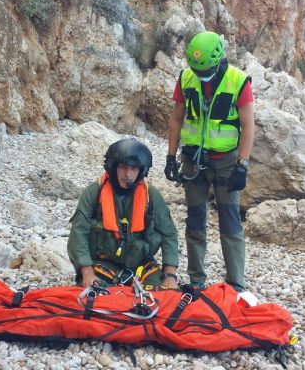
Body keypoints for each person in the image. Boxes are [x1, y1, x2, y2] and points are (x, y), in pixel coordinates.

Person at [164, 31, 255, 292]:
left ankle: (235, 284)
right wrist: (171, 157)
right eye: (195, 68)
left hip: (226, 160)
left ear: (219, 61)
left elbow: (248, 126)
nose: (200, 73)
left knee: (230, 219)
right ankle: (196, 281)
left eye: (205, 69)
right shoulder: (186, 77)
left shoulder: (238, 81)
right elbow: (176, 118)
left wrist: (242, 165)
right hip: (193, 159)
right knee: (195, 219)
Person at [68, 138, 180, 290]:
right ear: (113, 167)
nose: (128, 174)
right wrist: (87, 273)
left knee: (169, 297)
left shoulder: (151, 196)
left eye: (134, 169)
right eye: (123, 167)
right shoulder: (94, 193)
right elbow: (78, 232)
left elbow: (169, 233)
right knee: (92, 297)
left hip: (142, 266)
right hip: (104, 264)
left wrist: (170, 275)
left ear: (142, 170)